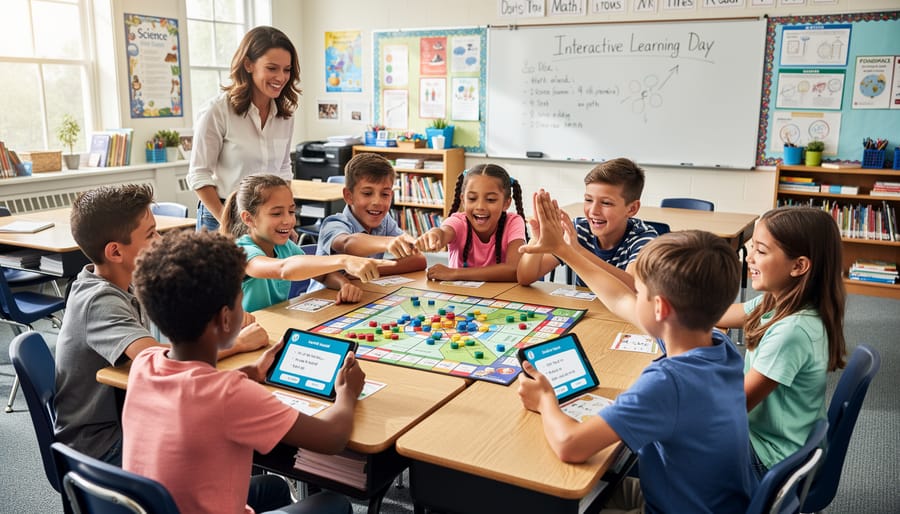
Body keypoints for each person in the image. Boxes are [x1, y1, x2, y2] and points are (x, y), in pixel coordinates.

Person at [517, 190, 756, 513]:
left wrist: (545, 400)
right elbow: (619, 299)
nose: (634, 297)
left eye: (640, 291)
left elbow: (570, 446)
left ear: (659, 308)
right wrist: (564, 250)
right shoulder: (714, 342)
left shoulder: (669, 382)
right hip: (710, 501)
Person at [124, 229, 361, 514]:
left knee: (273, 487)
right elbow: (332, 437)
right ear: (226, 318)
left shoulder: (145, 363)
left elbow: (196, 391)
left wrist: (252, 371)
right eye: (240, 300)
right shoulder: (231, 395)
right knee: (333, 503)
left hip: (159, 508)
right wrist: (348, 393)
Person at [54, 184, 268, 465]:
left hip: (132, 414)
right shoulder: (99, 300)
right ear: (115, 252)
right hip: (102, 446)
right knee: (226, 434)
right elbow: (159, 361)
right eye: (150, 234)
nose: (159, 240)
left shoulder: (122, 280)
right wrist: (237, 343)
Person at [716, 206, 846, 478]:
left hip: (773, 458)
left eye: (761, 251)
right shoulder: (779, 302)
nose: (748, 258)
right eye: (751, 248)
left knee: (671, 442)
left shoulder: (791, 331)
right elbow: (720, 316)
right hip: (777, 440)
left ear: (799, 266)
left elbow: (732, 407)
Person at [220, 174, 389, 312]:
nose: (288, 220)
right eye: (277, 214)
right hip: (242, 335)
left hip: (272, 325)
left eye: (292, 211)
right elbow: (284, 269)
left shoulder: (284, 246)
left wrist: (344, 284)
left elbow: (322, 274)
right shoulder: (243, 251)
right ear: (248, 219)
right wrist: (344, 260)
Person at [188, 26, 300, 232]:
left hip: (267, 218)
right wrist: (226, 222)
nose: (281, 77)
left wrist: (285, 217)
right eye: (272, 68)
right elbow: (199, 175)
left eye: (287, 69)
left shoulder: (286, 114)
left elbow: (283, 169)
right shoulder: (217, 111)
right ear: (248, 64)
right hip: (221, 215)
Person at [516, 158, 657, 290]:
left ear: (632, 208)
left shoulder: (644, 238)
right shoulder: (578, 230)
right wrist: (537, 238)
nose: (594, 211)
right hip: (588, 311)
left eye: (606, 203)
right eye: (589, 200)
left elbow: (634, 286)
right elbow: (525, 278)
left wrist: (577, 251)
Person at [308, 152, 426, 292]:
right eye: (367, 193)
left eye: (385, 194)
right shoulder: (334, 223)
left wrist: (372, 269)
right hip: (323, 300)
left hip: (361, 296)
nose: (377, 202)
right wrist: (386, 243)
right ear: (348, 196)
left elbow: (419, 259)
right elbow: (348, 244)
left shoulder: (385, 221)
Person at [414, 164, 527, 282]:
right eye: (472, 198)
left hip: (500, 297)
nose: (480, 207)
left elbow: (514, 269)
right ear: (463, 200)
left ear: (506, 203)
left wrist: (455, 273)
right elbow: (443, 232)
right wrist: (434, 235)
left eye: (490, 200)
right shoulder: (458, 221)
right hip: (460, 296)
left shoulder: (514, 222)